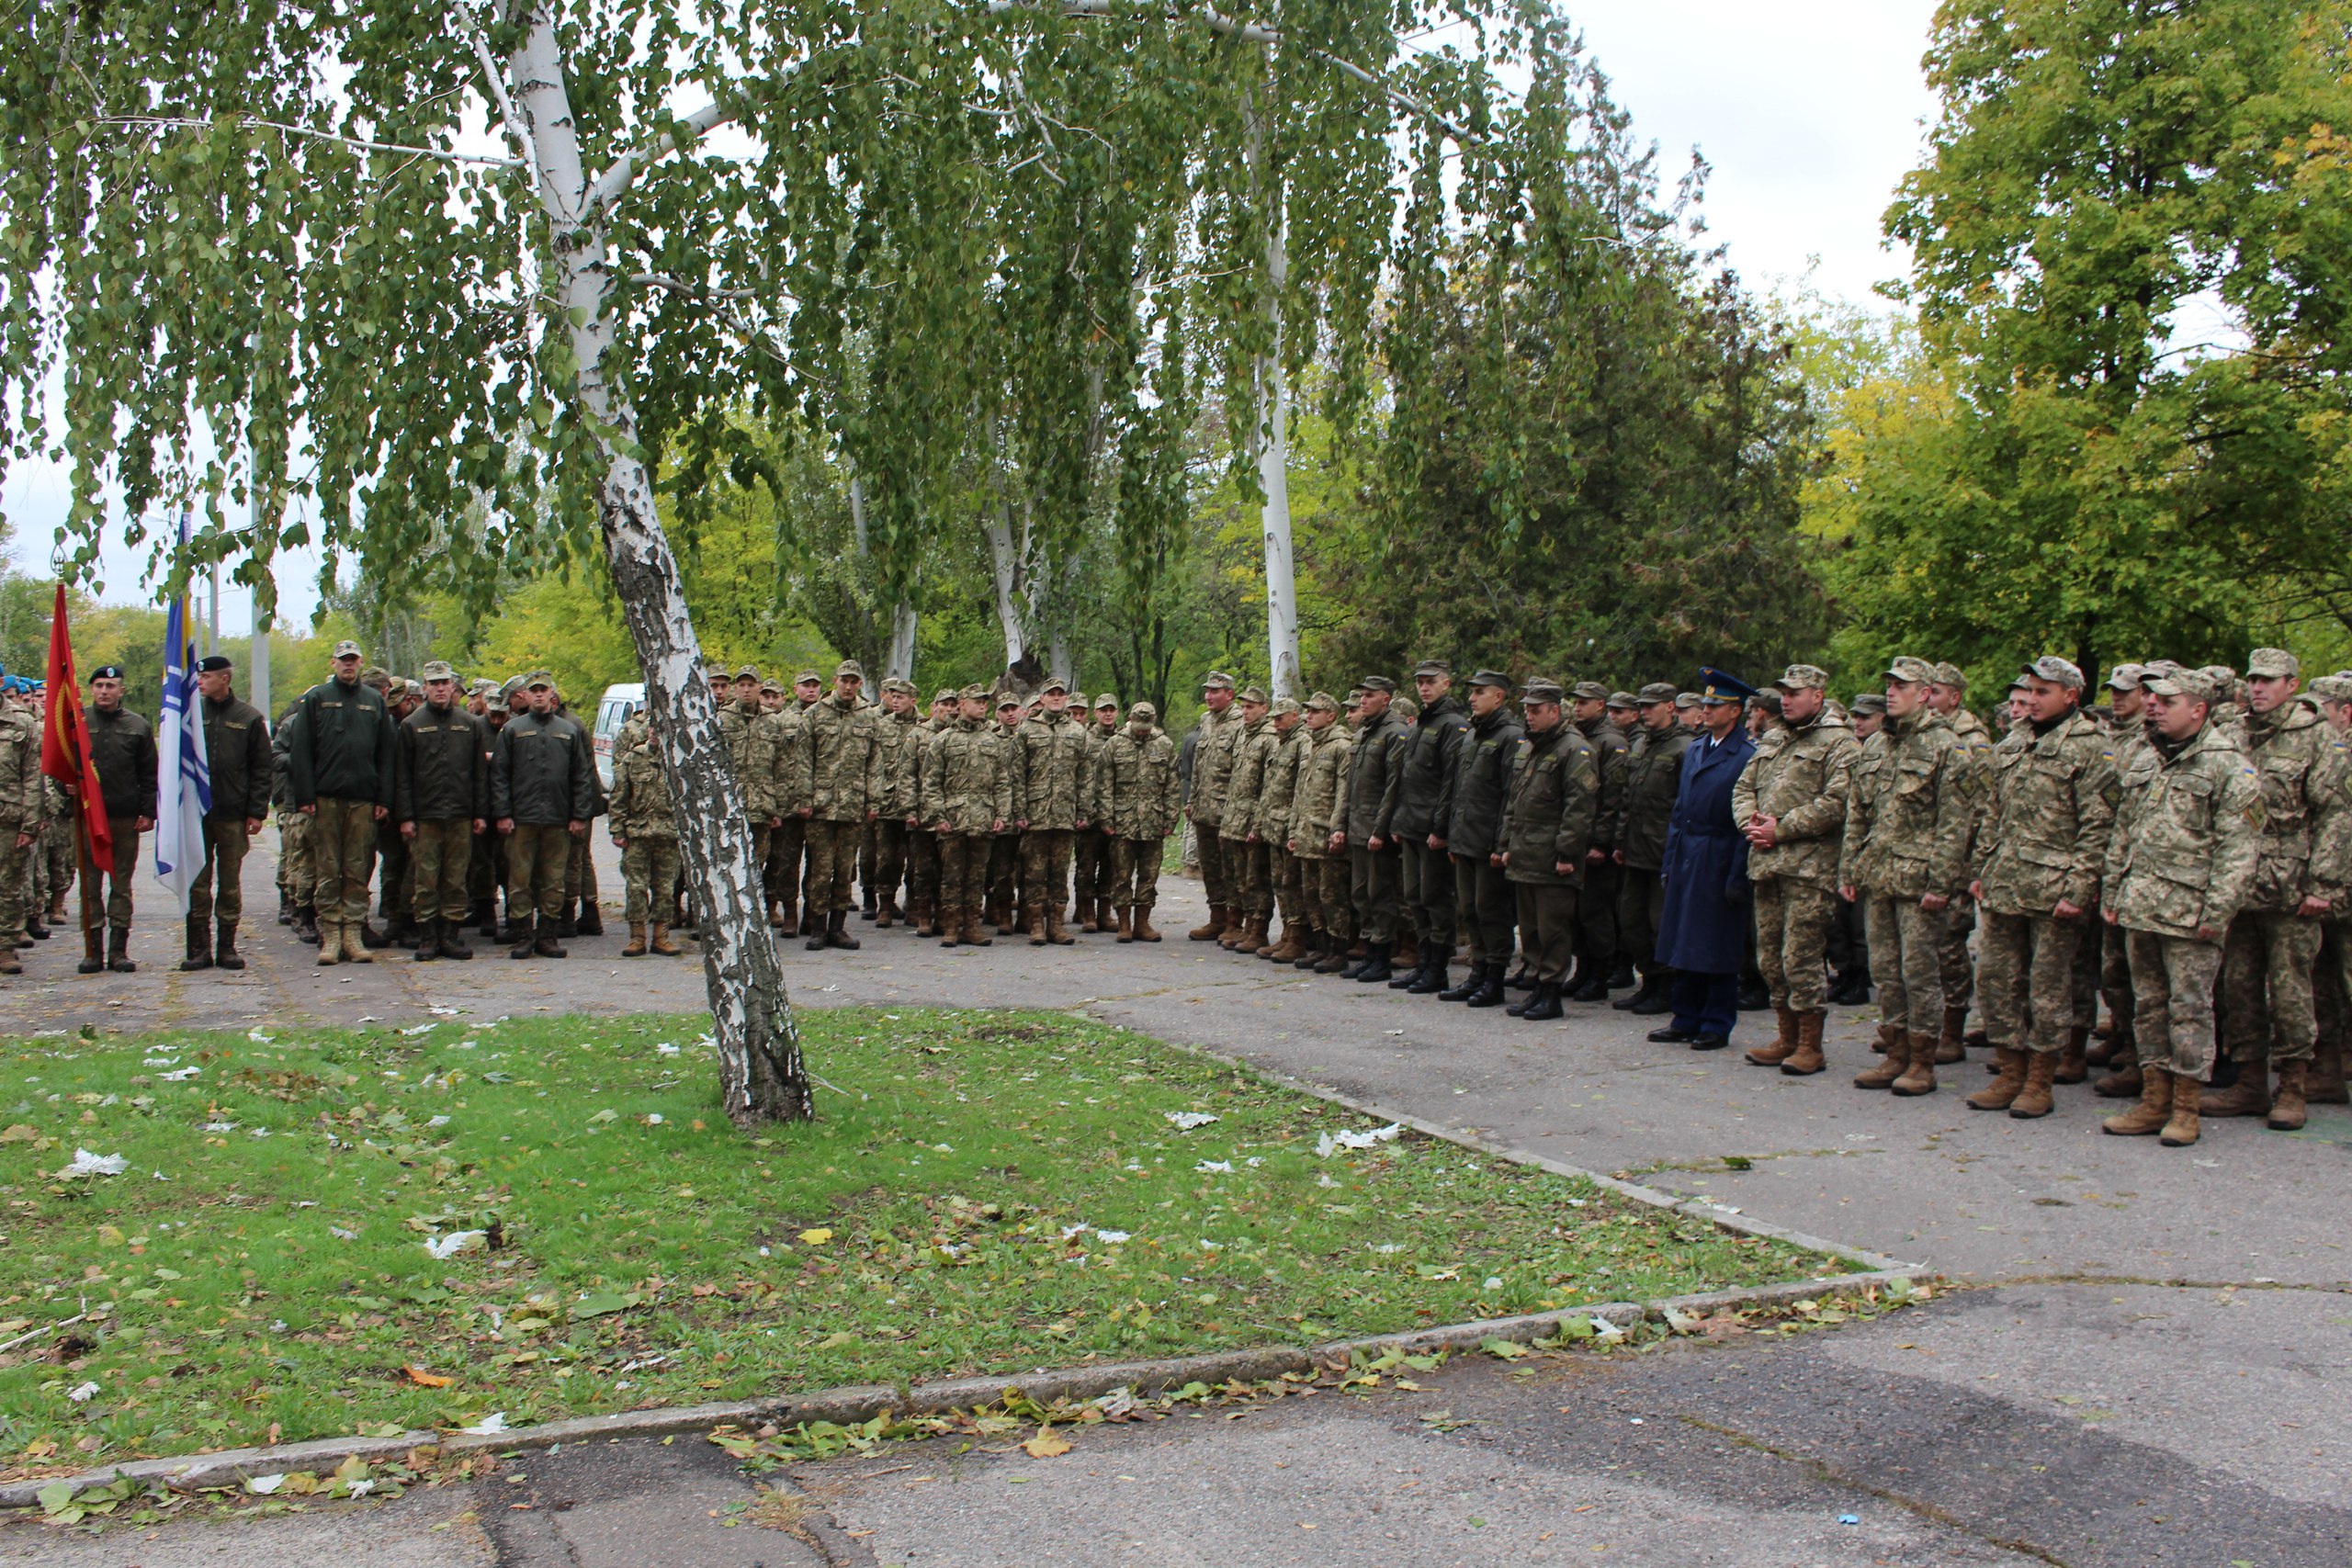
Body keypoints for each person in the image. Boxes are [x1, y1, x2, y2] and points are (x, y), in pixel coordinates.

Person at [2099, 668, 2263, 1146]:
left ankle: (2186, 1108)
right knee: (2148, 1007)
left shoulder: (2229, 766)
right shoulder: (2147, 761)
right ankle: (2154, 1100)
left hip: (2191, 915)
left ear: (2198, 709)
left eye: (2167, 701)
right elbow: (2123, 832)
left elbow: (2240, 848)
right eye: (2152, 698)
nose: (2153, 705)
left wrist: (2217, 912)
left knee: (2189, 1010)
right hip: (2141, 906)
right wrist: (2114, 893)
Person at [1964, 658, 2116, 1115]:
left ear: (2071, 696)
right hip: (2005, 883)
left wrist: (2079, 889)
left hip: (2054, 889)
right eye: (2029, 690)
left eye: (2043, 691)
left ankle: (2039, 1081)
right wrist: (1980, 868)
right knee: (1995, 980)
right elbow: (1991, 810)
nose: (2031, 699)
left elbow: (2098, 826)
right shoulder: (2013, 742)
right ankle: (2010, 1071)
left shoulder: (2092, 747)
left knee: (2048, 989)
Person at [2205, 649, 2348, 1128]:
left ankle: (2293, 1086)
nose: (2259, 688)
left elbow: (2335, 816)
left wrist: (2323, 883)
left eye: (2270, 681)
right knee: (2238, 985)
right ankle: (2249, 1083)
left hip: (2292, 887)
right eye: (2254, 680)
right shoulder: (2232, 734)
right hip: (2239, 882)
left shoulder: (2316, 739)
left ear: (2292, 684)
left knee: (2290, 989)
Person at [1841, 657, 1972, 1095]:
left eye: (1902, 685)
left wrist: (1942, 883)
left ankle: (1922, 1062)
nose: (1892, 692)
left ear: (1924, 692)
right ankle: (1895, 1053)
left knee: (1920, 974)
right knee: (1886, 973)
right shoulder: (1877, 745)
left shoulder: (1946, 746)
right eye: (1889, 685)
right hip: (1879, 875)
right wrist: (1850, 867)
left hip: (1919, 882)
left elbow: (1956, 823)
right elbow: (1858, 811)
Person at [1736, 664, 1860, 1077]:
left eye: (1795, 693)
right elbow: (1743, 787)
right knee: (1769, 957)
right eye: (1784, 693)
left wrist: (1781, 829)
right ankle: (1785, 1036)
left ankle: (1810, 1044)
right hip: (1766, 864)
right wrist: (1750, 822)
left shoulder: (1841, 743)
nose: (1785, 700)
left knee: (1800, 957)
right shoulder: (1773, 738)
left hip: (1809, 870)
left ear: (1818, 696)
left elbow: (1837, 802)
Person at [1649, 670, 1758, 1051]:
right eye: (1706, 703)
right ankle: (1685, 1016)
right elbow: (1679, 811)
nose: (1707, 710)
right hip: (1688, 852)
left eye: (1716, 705)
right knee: (1683, 939)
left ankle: (1715, 1021)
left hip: (1720, 853)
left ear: (1736, 711)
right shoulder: (1696, 748)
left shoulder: (1747, 754)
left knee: (1717, 942)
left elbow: (1746, 820)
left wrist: (1738, 874)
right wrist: (1670, 859)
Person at [287, 642, 393, 965]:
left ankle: (353, 933)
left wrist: (383, 799)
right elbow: (301, 750)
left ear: (360, 663)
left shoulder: (373, 700)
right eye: (343, 660)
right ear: (333, 663)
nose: (348, 665)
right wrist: (305, 796)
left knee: (358, 868)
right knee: (328, 868)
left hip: (362, 799)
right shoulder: (317, 698)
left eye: (353, 660)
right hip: (325, 798)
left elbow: (386, 754)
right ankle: (331, 934)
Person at [1498, 679, 1598, 1021]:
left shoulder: (1574, 749)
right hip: (1526, 853)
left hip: (1553, 858)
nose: (1530, 716)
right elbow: (1516, 800)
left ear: (1555, 711)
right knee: (1531, 928)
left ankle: (1551, 991)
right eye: (1526, 710)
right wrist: (1507, 843)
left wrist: (1568, 854)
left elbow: (1579, 807)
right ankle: (1538, 987)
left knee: (1553, 927)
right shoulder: (1532, 747)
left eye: (1536, 710)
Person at [1434, 671, 1524, 1006]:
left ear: (1498, 696)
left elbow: (1510, 796)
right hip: (1466, 839)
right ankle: (1478, 972)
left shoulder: (1510, 736)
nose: (1472, 698)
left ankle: (1495, 977)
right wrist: (1450, 835)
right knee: (1470, 909)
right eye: (1471, 692)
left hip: (1488, 842)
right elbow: (1458, 789)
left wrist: (1502, 844)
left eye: (1480, 692)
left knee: (1491, 910)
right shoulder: (1473, 735)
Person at [492, 671, 594, 959]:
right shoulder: (513, 729)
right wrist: (503, 813)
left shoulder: (568, 730)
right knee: (520, 879)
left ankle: (548, 935)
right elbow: (500, 774)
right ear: (526, 694)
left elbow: (581, 776)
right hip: (522, 819)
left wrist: (579, 815)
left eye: (543, 690)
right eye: (533, 690)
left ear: (552, 694)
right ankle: (523, 935)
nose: (538, 695)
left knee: (554, 880)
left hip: (558, 819)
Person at [394, 660, 491, 961]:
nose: (439, 688)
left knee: (455, 878)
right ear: (424, 688)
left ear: (453, 687)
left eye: (444, 683)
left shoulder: (469, 724)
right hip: (425, 817)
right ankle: (427, 937)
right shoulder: (411, 724)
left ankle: (450, 935)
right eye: (433, 683)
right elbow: (403, 776)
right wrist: (406, 817)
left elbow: (478, 774)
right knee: (425, 878)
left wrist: (479, 813)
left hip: (460, 816)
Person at [183, 654, 272, 973]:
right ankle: (198, 948)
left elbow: (262, 768)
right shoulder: (190, 715)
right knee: (197, 882)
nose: (201, 683)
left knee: (229, 883)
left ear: (224, 679)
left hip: (233, 813)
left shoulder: (248, 717)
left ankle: (227, 946)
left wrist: (256, 811)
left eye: (207, 678)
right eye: (199, 678)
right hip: (197, 814)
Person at [1926, 661, 1996, 1062]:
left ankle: (1952, 1027)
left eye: (1935, 693)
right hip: (1927, 853)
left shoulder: (1971, 738)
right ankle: (1925, 1026)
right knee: (1925, 947)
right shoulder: (1926, 734)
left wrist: (1971, 865)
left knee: (1950, 944)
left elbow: (1983, 804)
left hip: (1957, 856)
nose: (1928, 700)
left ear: (1954, 696)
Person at [1388, 660, 1469, 991]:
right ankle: (1424, 962)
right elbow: (1408, 778)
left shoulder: (1453, 724)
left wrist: (1441, 828)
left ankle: (1438, 967)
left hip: (1431, 828)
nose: (1424, 687)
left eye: (1431, 682)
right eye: (1420, 682)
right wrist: (1399, 820)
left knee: (1435, 898)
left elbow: (1451, 781)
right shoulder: (1423, 723)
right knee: (1415, 896)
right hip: (1411, 823)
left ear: (1446, 684)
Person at [1613, 682, 1691, 1016]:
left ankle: (1668, 986)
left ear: (1670, 707)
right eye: (1641, 706)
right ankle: (1648, 981)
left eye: (1651, 706)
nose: (1644, 712)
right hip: (1635, 848)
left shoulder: (1684, 747)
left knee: (1661, 924)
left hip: (1663, 851)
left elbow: (1686, 806)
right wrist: (1619, 840)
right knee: (1632, 921)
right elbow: (1627, 797)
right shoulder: (1643, 744)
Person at [75, 664, 158, 974]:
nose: (104, 691)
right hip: (87, 817)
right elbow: (61, 765)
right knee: (89, 885)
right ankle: (92, 951)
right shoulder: (78, 722)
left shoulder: (137, 726)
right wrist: (64, 786)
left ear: (121, 690)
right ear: (91, 689)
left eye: (110, 686)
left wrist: (148, 811)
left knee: (121, 885)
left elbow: (149, 773)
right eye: (98, 685)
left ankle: (118, 951)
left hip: (124, 818)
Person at [799, 660, 882, 952]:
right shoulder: (815, 714)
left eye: (854, 681)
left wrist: (873, 800)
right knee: (820, 870)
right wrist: (804, 799)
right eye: (844, 680)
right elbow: (803, 760)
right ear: (835, 681)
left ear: (859, 684)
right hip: (821, 807)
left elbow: (875, 762)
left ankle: (838, 928)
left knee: (845, 871)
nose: (848, 686)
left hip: (852, 806)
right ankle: (817, 928)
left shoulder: (869, 717)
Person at [924, 683, 1012, 946]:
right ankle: (951, 926)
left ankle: (972, 925)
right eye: (978, 701)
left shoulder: (992, 741)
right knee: (951, 876)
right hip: (953, 819)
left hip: (983, 818)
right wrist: (938, 816)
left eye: (985, 702)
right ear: (962, 704)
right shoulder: (944, 740)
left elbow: (1002, 782)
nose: (983, 706)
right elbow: (931, 782)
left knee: (976, 877)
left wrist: (1002, 813)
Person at [1015, 676, 1092, 946]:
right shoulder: (1027, 730)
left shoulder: (1077, 731)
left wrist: (1083, 811)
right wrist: (1019, 811)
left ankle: (1057, 925)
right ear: (1043, 699)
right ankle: (1036, 924)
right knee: (1034, 872)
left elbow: (1085, 775)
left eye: (1061, 694)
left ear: (1066, 699)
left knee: (1059, 872)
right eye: (1052, 694)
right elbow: (1016, 774)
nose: (1057, 698)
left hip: (1064, 813)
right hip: (1035, 814)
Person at [1095, 700, 1180, 941]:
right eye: (1138, 725)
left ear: (1153, 722)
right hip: (1123, 821)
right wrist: (1106, 818)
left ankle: (1142, 923)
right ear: (1130, 720)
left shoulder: (1164, 745)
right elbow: (1104, 785)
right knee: (1121, 876)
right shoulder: (1115, 745)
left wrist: (1171, 818)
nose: (1142, 731)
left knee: (1149, 877)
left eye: (1146, 726)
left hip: (1153, 822)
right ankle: (1124, 924)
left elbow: (1173, 786)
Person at [1567, 679, 1631, 1000]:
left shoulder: (1611, 742)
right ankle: (1583, 969)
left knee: (1596, 911)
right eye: (1575, 702)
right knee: (1578, 911)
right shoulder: (1580, 737)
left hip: (1595, 841)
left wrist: (1601, 842)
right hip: (1578, 838)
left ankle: (1601, 973)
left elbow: (1613, 798)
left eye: (1584, 702)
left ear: (1600, 706)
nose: (1577, 707)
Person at [1342, 674, 1408, 979]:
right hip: (1357, 826)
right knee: (1360, 895)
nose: (1363, 700)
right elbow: (1350, 786)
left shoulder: (1395, 733)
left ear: (1386, 698)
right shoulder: (1363, 733)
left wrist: (1380, 830)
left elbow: (1394, 787)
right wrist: (1341, 824)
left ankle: (1382, 953)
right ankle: (1369, 950)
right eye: (1361, 695)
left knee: (1380, 894)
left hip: (1375, 830)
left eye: (1370, 695)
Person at [1825, 691, 1885, 1004]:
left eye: (1865, 717)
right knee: (1835, 918)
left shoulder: (1883, 751)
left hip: (1867, 847)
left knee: (1858, 919)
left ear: (1882, 719)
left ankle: (1860, 977)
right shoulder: (1849, 749)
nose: (1857, 722)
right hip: (1840, 843)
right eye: (1856, 716)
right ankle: (1844, 971)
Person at [608, 709, 684, 957]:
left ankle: (661, 937)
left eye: (659, 728)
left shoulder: (679, 758)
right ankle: (637, 937)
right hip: (638, 834)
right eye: (651, 728)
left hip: (668, 834)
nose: (654, 732)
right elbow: (619, 797)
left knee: (665, 888)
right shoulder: (633, 758)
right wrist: (617, 830)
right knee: (636, 887)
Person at [1217, 687, 1278, 953]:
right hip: (1233, 818)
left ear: (1264, 708)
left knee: (1256, 879)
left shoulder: (1269, 738)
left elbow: (1270, 787)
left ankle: (1258, 930)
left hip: (1253, 820)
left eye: (1251, 707)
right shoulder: (1243, 734)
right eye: (1243, 707)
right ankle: (1238, 925)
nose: (1245, 711)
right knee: (1236, 877)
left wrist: (1258, 823)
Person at [1186, 671, 1245, 940]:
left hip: (1226, 811)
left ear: (1229, 695)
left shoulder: (1239, 723)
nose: (1209, 696)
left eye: (1215, 691)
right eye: (1207, 691)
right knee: (1209, 867)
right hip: (1203, 809)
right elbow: (1198, 766)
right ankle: (1217, 918)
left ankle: (1235, 922)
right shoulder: (1206, 721)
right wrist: (1192, 800)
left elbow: (1241, 772)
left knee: (1230, 869)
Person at [1257, 697, 1308, 959]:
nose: (1276, 722)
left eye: (1280, 717)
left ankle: (1298, 938)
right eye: (1274, 718)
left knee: (1292, 883)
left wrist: (1294, 828)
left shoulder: (1303, 743)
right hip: (1273, 824)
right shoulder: (1280, 743)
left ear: (1294, 716)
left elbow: (1301, 790)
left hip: (1289, 823)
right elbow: (1269, 788)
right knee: (1279, 883)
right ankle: (1287, 933)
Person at [869, 677, 922, 928]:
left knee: (916, 859)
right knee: (887, 858)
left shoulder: (925, 727)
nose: (895, 700)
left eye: (901, 697)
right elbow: (872, 764)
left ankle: (913, 905)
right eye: (892, 696)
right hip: (887, 802)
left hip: (916, 803)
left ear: (913, 701)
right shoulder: (881, 725)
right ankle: (885, 906)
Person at [907, 688, 957, 935]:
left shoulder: (959, 735)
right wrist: (909, 808)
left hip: (954, 815)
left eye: (952, 705)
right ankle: (924, 915)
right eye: (943, 704)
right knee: (925, 868)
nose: (948, 709)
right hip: (924, 814)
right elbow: (906, 774)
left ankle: (944, 916)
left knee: (949, 869)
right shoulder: (918, 734)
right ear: (932, 707)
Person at [1072, 693, 1122, 931]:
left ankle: (1105, 913)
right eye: (1103, 710)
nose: (1108, 713)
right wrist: (1078, 811)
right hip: (1089, 815)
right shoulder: (1084, 739)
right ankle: (1087, 913)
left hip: (1114, 815)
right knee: (1086, 867)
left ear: (1118, 713)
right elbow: (1075, 776)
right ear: (1096, 713)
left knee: (1110, 867)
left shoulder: (1124, 739)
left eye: (1112, 709)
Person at [0, 668, 39, 976]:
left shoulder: (21, 721)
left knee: (7, 885)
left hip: (8, 819)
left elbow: (33, 777)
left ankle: (4, 947)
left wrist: (30, 823)